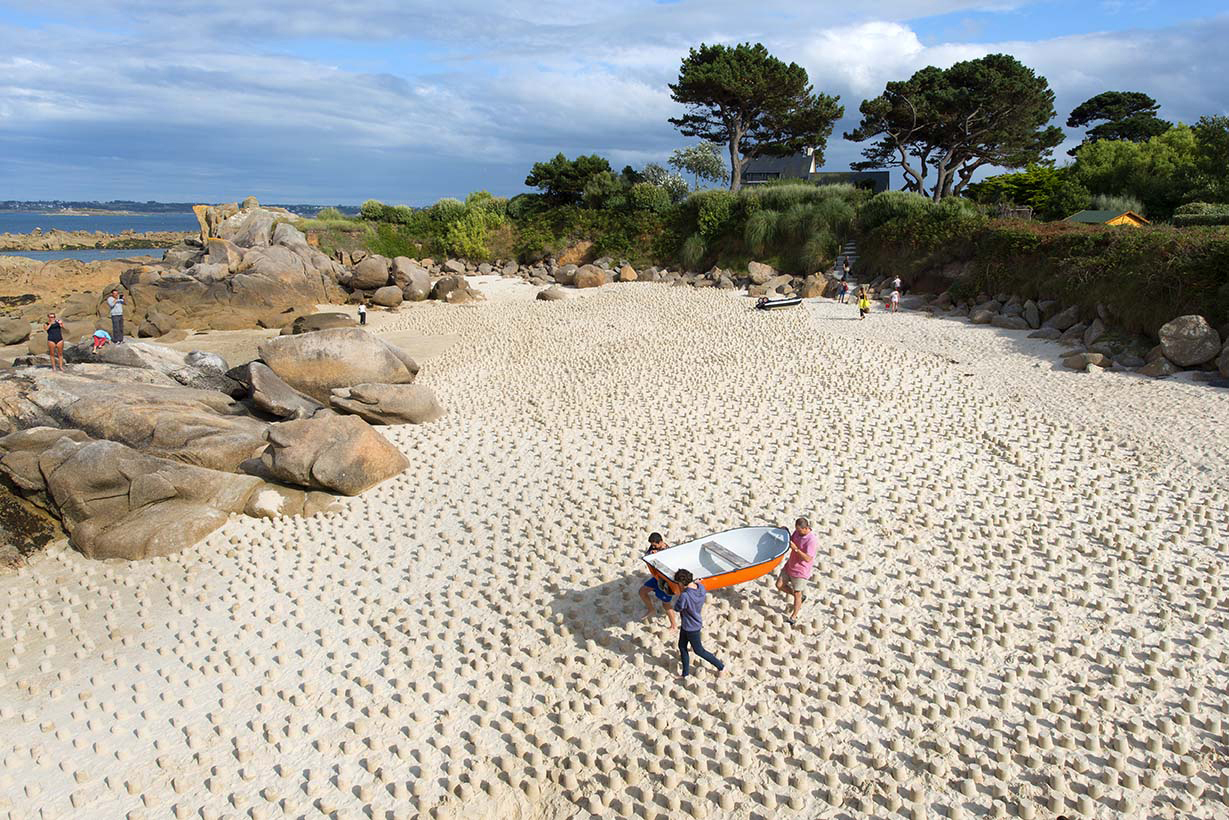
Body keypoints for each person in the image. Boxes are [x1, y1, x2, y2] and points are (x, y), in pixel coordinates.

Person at [672, 569, 724, 679]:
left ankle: (721, 667)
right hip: (693, 623)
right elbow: (695, 586)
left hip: (690, 627)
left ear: (681, 583)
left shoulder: (685, 596)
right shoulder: (701, 588)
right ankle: (685, 674)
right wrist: (695, 582)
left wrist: (681, 593)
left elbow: (677, 608)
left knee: (699, 651)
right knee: (682, 646)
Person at [776, 517, 818, 623]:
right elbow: (792, 540)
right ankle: (800, 598)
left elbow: (808, 558)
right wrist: (785, 532)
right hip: (790, 565)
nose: (798, 533)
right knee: (779, 585)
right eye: (796, 530)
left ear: (806, 528)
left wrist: (795, 549)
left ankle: (794, 616)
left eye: (799, 531)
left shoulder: (811, 540)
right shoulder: (797, 533)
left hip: (801, 571)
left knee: (797, 593)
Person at [639, 533, 678, 628]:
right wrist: (651, 554)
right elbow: (647, 555)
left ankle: (674, 625)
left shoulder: (668, 551)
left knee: (666, 604)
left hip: (666, 581)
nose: (653, 546)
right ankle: (651, 609)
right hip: (657, 577)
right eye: (652, 545)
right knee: (642, 592)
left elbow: (670, 566)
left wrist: (659, 555)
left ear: (660, 542)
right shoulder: (653, 547)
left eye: (654, 545)